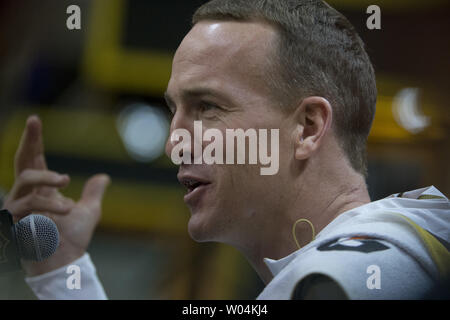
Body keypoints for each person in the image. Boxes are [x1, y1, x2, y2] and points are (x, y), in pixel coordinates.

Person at [2, 0, 449, 299]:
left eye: (207, 107)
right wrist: (63, 268)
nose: (173, 142)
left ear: (308, 127)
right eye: (173, 110)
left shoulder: (376, 255)